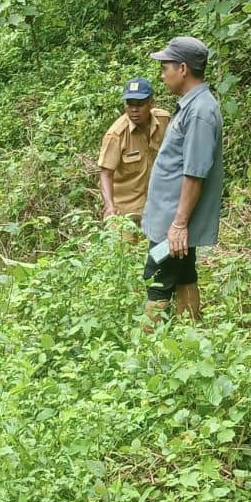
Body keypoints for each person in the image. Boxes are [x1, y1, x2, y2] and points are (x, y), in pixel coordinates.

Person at [140, 36, 224, 321]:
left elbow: (195, 173)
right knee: (185, 273)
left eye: (166, 67)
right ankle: (191, 336)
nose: (162, 75)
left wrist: (178, 224)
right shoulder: (192, 106)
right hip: (173, 215)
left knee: (156, 279)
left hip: (174, 220)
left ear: (183, 69)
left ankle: (148, 352)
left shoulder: (200, 111)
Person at [97, 77, 171, 227]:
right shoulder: (116, 135)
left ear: (151, 103)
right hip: (125, 212)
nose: (134, 109)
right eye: (130, 104)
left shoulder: (164, 121)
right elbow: (106, 173)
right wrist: (110, 206)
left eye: (140, 104)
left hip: (157, 207)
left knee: (158, 250)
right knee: (124, 249)